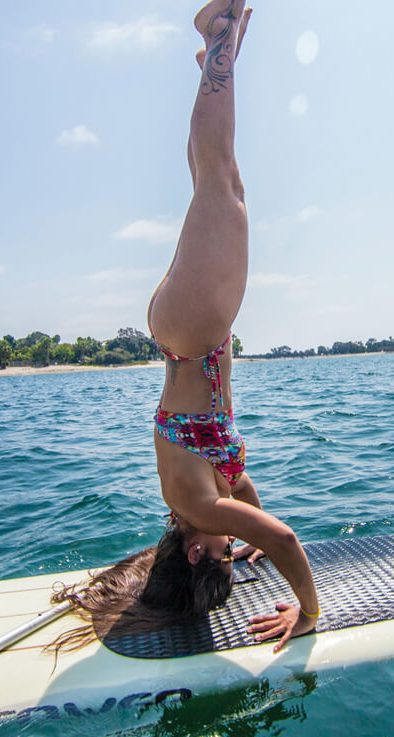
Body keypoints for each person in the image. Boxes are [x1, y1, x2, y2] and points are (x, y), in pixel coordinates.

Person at [52, 0, 319, 655]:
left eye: (226, 553)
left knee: (219, 184)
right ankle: (219, 58)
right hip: (191, 332)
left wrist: (307, 612)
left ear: (195, 553)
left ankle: (216, 47)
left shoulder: (197, 507)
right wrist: (252, 537)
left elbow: (283, 538)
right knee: (220, 181)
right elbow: (259, 514)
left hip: (193, 329)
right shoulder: (211, 498)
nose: (234, 544)